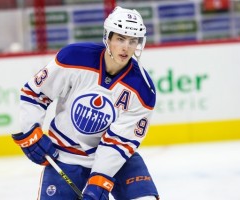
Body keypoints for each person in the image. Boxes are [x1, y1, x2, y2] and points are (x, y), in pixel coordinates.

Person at [12, 6, 159, 200]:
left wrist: (99, 181)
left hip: (117, 161)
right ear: (108, 38)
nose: (126, 47)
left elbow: (118, 143)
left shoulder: (142, 90)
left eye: (133, 41)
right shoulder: (74, 58)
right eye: (120, 39)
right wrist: (31, 131)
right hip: (63, 155)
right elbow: (35, 94)